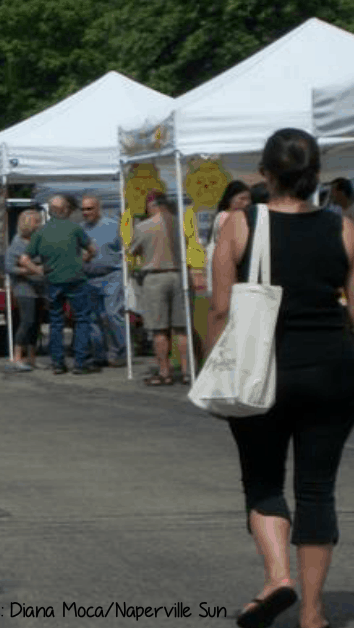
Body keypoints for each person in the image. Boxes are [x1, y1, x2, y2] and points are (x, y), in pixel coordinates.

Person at [210, 128, 354, 628]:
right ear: (316, 174)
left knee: (264, 480)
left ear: (266, 173)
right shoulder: (343, 228)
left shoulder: (239, 223)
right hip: (333, 372)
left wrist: (213, 367)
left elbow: (221, 307)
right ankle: (313, 613)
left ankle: (278, 578)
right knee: (318, 489)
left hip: (260, 371)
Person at [18, 194, 98, 375]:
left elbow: (24, 259)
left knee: (56, 322)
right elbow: (92, 249)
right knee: (82, 319)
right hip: (76, 279)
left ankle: (58, 363)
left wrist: (39, 271)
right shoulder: (74, 228)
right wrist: (84, 259)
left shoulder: (41, 232)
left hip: (53, 281)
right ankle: (80, 362)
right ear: (64, 210)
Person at [128, 192, 189, 385]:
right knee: (181, 328)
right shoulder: (179, 223)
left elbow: (132, 250)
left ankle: (165, 372)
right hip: (178, 275)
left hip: (155, 278)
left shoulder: (143, 226)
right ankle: (188, 372)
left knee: (159, 329)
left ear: (150, 205)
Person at [80, 195, 127, 367]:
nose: (86, 213)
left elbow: (126, 248)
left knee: (113, 314)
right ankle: (99, 354)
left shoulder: (113, 225)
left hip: (111, 275)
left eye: (89, 209)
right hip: (88, 278)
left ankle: (119, 352)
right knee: (93, 317)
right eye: (83, 209)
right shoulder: (79, 229)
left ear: (98, 208)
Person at [3, 210, 45, 372]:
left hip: (40, 287)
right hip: (24, 287)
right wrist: (30, 271)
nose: (40, 224)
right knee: (27, 321)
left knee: (36, 323)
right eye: (37, 222)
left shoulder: (38, 241)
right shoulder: (17, 243)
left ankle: (32, 358)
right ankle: (17, 356)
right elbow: (8, 267)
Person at [206, 181, 252, 295]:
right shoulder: (225, 217)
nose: (246, 203)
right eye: (241, 198)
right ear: (230, 199)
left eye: (248, 199)